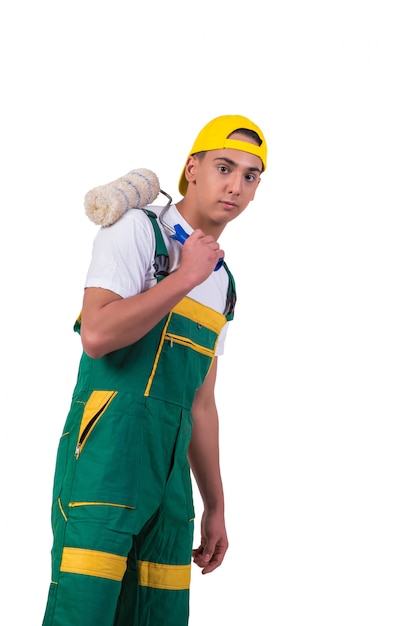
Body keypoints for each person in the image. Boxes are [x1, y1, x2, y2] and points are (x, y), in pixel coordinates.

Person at [42, 114, 268, 626]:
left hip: (170, 484)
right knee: (85, 612)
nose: (236, 185)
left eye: (251, 176)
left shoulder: (223, 282)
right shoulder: (138, 229)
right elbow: (96, 335)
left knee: (157, 615)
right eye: (224, 167)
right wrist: (184, 276)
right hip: (106, 459)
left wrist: (215, 504)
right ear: (192, 168)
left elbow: (201, 402)